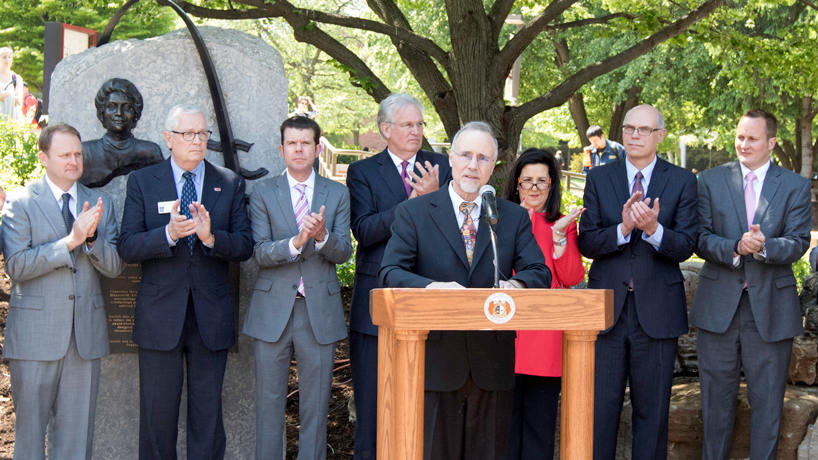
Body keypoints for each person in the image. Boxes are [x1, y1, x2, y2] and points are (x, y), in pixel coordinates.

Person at [379, 121, 551, 460]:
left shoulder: (512, 217)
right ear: (451, 159)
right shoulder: (414, 213)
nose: (474, 165)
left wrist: (516, 284)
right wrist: (431, 287)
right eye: (467, 156)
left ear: (493, 167)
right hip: (435, 361)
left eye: (483, 158)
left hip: (493, 362)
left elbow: (539, 271)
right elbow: (390, 273)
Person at [117, 104, 254, 460]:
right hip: (160, 315)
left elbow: (244, 246)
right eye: (188, 134)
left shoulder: (230, 182)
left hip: (211, 316)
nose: (197, 141)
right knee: (157, 417)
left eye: (203, 134)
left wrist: (211, 239)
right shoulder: (144, 182)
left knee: (208, 418)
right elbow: (128, 246)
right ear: (168, 139)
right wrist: (166, 234)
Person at [577, 105, 698, 460]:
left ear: (660, 135)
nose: (634, 136)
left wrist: (652, 230)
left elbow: (687, 246)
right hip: (606, 311)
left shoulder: (682, 180)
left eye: (643, 130)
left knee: (653, 413)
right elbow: (587, 242)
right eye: (629, 129)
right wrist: (624, 228)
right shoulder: (600, 177)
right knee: (600, 411)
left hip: (658, 311)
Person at [690, 109, 811, 460]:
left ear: (771, 143)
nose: (743, 144)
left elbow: (799, 241)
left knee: (769, 406)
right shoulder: (710, 180)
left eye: (752, 138)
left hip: (771, 311)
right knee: (714, 406)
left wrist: (764, 247)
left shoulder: (795, 186)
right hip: (718, 308)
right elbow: (699, 237)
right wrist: (734, 247)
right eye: (740, 136)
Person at [2, 122, 124, 459]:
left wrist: (92, 240)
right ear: (43, 157)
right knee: (29, 437)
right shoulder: (21, 201)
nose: (74, 161)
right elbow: (16, 266)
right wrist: (70, 241)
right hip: (33, 338)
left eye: (77, 154)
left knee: (75, 440)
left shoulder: (101, 203)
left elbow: (114, 267)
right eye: (65, 155)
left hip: (83, 338)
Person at [345, 93, 452, 459]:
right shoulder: (362, 172)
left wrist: (435, 198)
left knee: (428, 410)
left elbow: (458, 232)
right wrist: (414, 202)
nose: (417, 131)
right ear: (385, 129)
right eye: (408, 125)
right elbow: (365, 231)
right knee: (375, 408)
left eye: (421, 124)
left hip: (431, 301)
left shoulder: (442, 167)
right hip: (376, 305)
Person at [244, 116, 353, 459]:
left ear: (318, 148)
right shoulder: (262, 191)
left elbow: (345, 253)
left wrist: (321, 237)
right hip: (272, 310)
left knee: (316, 407)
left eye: (306, 142)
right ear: (281, 149)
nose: (299, 149)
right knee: (269, 405)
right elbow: (259, 251)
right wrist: (296, 240)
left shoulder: (337, 192)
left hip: (318, 310)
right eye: (292, 143)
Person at [502, 149, 585, 460]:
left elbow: (573, 275)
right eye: (527, 181)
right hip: (505, 335)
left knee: (539, 431)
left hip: (544, 339)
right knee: (504, 433)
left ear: (552, 185)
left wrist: (560, 236)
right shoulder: (498, 221)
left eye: (541, 181)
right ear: (516, 185)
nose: (534, 189)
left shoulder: (561, 223)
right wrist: (516, 227)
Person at [81, 78, 165, 188]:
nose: (119, 113)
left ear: (135, 114)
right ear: (102, 113)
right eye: (111, 107)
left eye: (126, 107)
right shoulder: (86, 152)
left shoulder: (150, 152)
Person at [0, 47, 23, 121]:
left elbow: (19, 100)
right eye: (4, 57)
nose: (7, 60)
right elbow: (14, 96)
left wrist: (3, 96)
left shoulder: (16, 78)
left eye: (9, 57)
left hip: (13, 119)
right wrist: (9, 93)